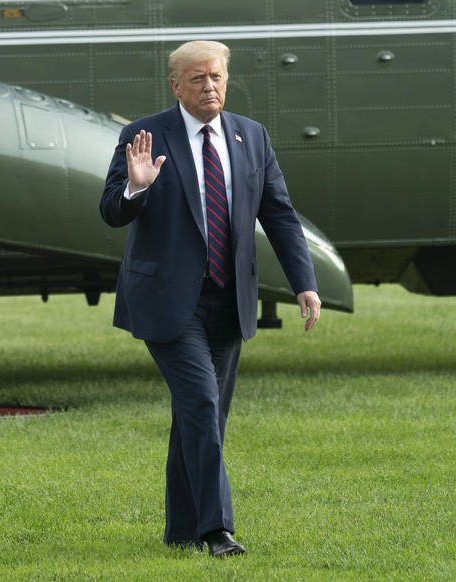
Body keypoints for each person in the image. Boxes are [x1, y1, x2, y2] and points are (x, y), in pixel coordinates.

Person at [100, 40, 321, 557]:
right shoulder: (143, 135)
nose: (210, 87)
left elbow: (280, 214)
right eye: (197, 79)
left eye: (217, 77)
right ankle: (216, 530)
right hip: (167, 300)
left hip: (229, 298)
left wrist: (303, 282)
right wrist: (136, 188)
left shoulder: (251, 136)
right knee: (200, 402)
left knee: (201, 419)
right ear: (175, 85)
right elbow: (111, 210)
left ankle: (180, 530)